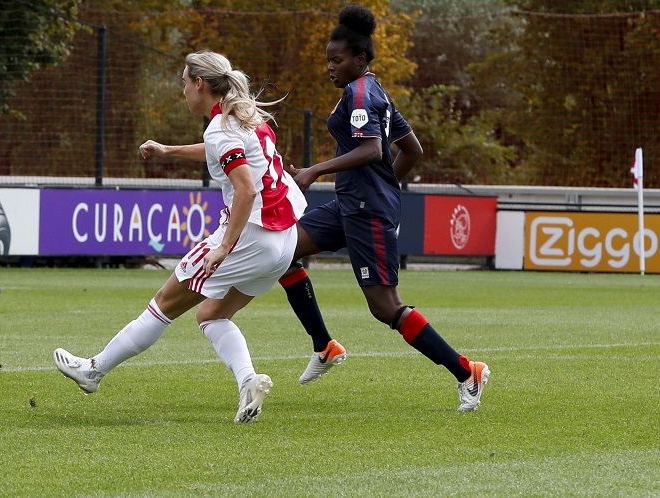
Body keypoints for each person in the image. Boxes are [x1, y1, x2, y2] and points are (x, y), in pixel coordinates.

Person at [139, 4, 491, 412]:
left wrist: (317, 173)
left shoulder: (360, 93)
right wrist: (384, 186)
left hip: (366, 213)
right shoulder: (373, 91)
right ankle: (324, 345)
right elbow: (412, 150)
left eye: (336, 60)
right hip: (350, 205)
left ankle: (467, 371)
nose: (330, 67)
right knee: (283, 249)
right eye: (328, 59)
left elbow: (374, 148)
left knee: (385, 306)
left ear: (360, 59)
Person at [53, 50, 308, 423]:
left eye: (184, 83)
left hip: (251, 235)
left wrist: (223, 246)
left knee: (163, 304)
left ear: (200, 84)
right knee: (211, 314)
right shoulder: (243, 117)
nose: (183, 90)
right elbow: (222, 153)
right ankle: (248, 382)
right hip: (284, 239)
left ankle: (94, 371)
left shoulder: (220, 127)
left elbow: (246, 190)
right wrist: (168, 150)